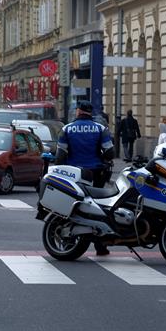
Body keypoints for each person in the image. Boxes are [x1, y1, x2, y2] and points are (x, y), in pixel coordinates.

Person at [56, 100, 115, 256]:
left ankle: (72, 234)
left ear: (78, 111)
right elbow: (109, 153)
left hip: (74, 174)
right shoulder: (100, 129)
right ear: (90, 112)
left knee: (74, 205)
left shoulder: (67, 129)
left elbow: (61, 155)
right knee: (98, 208)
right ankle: (100, 246)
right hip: (95, 173)